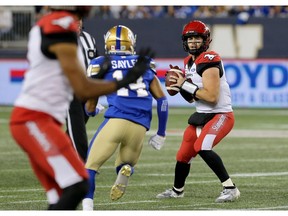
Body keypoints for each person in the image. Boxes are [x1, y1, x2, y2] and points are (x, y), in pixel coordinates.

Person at [9, 6, 153, 210]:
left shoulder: (56, 28)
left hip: (42, 118)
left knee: (60, 192)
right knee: (79, 182)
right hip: (33, 119)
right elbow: (82, 87)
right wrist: (122, 81)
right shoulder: (59, 24)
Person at [81, 25, 169, 210]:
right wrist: (161, 132)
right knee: (124, 164)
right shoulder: (144, 62)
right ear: (132, 43)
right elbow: (162, 100)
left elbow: (90, 101)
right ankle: (123, 170)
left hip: (116, 121)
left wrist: (92, 110)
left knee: (89, 167)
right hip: (139, 126)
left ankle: (87, 209)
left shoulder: (100, 62)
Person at [156, 20, 240, 203]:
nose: (193, 42)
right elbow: (193, 98)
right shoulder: (188, 62)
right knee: (183, 154)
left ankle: (230, 188)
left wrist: (184, 84)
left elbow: (211, 97)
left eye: (197, 38)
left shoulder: (210, 59)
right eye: (190, 38)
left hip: (221, 114)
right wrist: (180, 89)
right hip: (201, 115)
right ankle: (177, 190)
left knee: (202, 147)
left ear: (206, 40)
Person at [65, 17, 104, 162]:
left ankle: (55, 155)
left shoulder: (89, 39)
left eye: (79, 19)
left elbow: (97, 64)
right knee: (78, 128)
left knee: (75, 129)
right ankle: (83, 164)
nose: (78, 23)